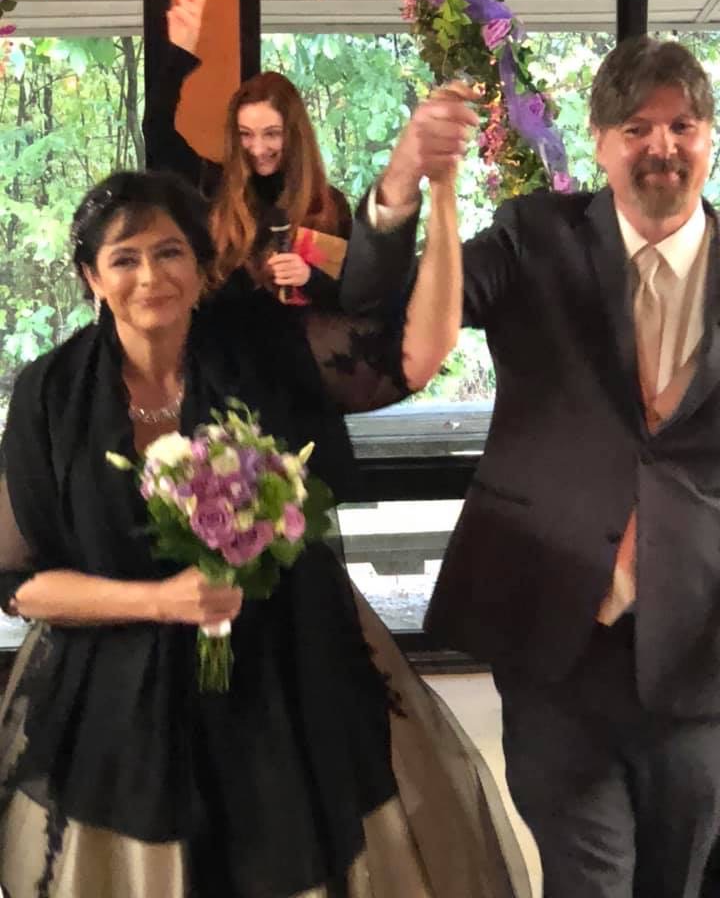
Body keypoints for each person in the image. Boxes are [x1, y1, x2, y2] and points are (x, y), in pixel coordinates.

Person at [0, 169, 532, 898]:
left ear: (200, 265)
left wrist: (435, 194)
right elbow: (19, 584)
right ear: (92, 278)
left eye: (170, 252)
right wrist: (162, 602)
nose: (150, 277)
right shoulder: (49, 393)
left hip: (286, 681)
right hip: (119, 708)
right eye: (124, 259)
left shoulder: (263, 349)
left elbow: (414, 354)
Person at [342, 35, 720, 898]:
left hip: (702, 649)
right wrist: (407, 184)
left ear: (709, 137)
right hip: (557, 639)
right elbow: (381, 311)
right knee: (590, 880)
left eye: (682, 126)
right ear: (599, 142)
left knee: (683, 878)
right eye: (636, 128)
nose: (661, 146)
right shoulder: (535, 236)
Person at [143, 0, 352, 309]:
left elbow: (352, 302)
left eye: (272, 134)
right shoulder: (212, 188)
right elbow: (156, 130)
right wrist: (179, 54)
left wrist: (311, 279)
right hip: (219, 341)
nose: (258, 149)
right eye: (246, 134)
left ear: (294, 134)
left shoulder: (326, 207)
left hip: (298, 341)